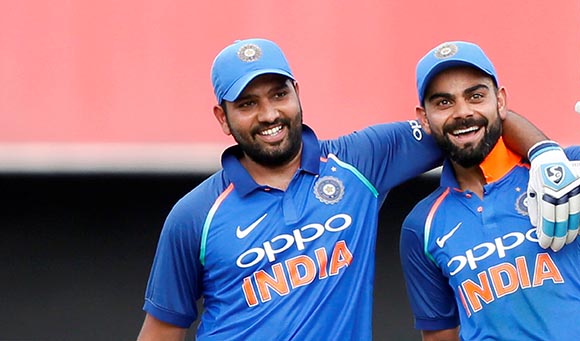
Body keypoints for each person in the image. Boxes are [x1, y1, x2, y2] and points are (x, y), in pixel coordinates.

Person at [137, 38, 555, 341]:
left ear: (297, 94)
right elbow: (161, 331)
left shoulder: (360, 162)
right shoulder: (195, 216)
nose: (269, 114)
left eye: (279, 94)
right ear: (223, 118)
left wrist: (545, 153)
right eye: (247, 104)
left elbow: (472, 120)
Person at [400, 41, 580, 341]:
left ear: (501, 101)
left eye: (476, 96)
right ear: (424, 118)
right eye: (444, 103)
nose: (463, 112)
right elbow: (440, 334)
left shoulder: (564, 166)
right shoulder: (422, 226)